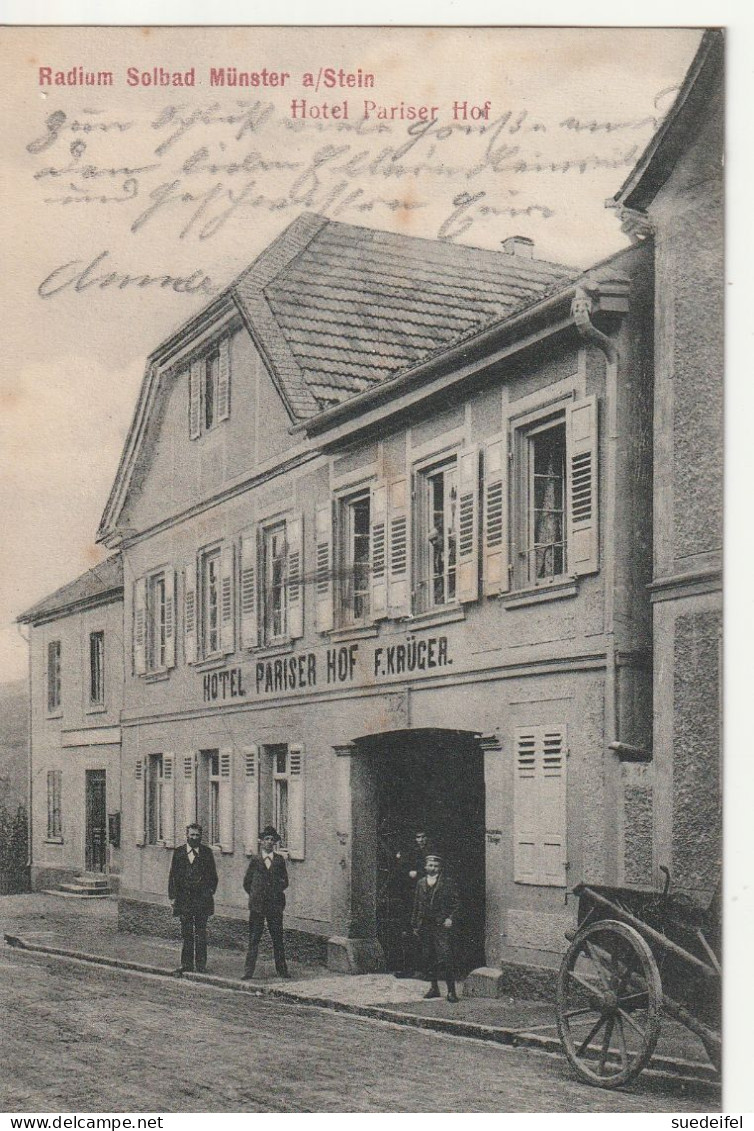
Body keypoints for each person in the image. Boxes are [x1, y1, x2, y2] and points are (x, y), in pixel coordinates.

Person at [168, 823, 218, 974]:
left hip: (202, 900)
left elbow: (213, 877)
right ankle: (187, 964)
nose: (194, 838)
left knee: (201, 933)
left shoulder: (206, 853)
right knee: (187, 933)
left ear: (200, 836)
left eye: (197, 835)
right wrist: (172, 897)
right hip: (184, 900)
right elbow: (173, 876)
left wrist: (208, 892)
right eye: (192, 835)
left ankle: (201, 965)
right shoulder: (179, 853)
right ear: (187, 836)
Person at [242, 825, 290, 980]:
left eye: (272, 839)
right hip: (257, 906)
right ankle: (248, 972)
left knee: (277, 939)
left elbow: (285, 881)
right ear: (261, 842)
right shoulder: (255, 860)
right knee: (254, 938)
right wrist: (257, 895)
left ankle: (282, 970)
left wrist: (274, 893)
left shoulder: (279, 860)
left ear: (275, 842)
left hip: (274, 906)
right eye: (266, 839)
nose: (269, 842)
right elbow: (247, 883)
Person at [412, 851, 460, 1002]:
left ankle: (451, 991)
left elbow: (457, 903)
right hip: (425, 924)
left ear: (440, 868)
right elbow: (416, 904)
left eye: (435, 865)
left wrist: (450, 918)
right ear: (426, 866)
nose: (432, 867)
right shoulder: (420, 883)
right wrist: (415, 924)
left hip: (440, 925)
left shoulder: (447, 882)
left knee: (446, 957)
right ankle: (434, 988)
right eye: (430, 865)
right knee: (429, 956)